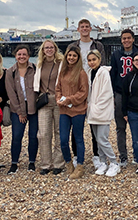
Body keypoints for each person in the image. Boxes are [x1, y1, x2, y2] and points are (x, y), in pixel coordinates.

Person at [68, 19, 105, 169]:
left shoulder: (98, 46)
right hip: (76, 85)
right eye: (81, 27)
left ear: (90, 29)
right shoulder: (72, 46)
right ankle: (76, 155)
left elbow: (101, 64)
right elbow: (68, 63)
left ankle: (96, 155)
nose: (84, 29)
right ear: (78, 29)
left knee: (94, 122)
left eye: (86, 27)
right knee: (76, 122)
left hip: (93, 83)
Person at [56, 46, 88, 179]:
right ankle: (69, 163)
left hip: (78, 110)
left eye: (74, 56)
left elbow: (83, 92)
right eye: (69, 55)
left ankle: (80, 166)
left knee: (78, 138)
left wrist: (69, 99)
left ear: (78, 57)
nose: (71, 58)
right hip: (64, 110)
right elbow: (58, 87)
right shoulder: (62, 72)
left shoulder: (81, 73)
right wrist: (58, 98)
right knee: (63, 139)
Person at [86, 50, 120, 177]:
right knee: (97, 139)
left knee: (102, 139)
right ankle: (102, 162)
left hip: (102, 111)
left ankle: (114, 162)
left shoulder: (104, 73)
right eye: (89, 60)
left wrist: (95, 107)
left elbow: (106, 94)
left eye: (94, 59)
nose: (91, 62)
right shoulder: (89, 72)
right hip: (92, 111)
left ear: (99, 59)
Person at [5, 44, 38, 174]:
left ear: (28, 56)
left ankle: (32, 162)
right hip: (17, 108)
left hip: (33, 107)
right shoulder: (10, 72)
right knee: (17, 136)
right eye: (19, 54)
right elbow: (11, 93)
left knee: (33, 136)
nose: (22, 56)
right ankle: (14, 163)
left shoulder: (34, 68)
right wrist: (20, 112)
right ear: (15, 56)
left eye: (24, 54)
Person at [33, 40, 64, 175]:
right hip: (44, 101)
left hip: (58, 100)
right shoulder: (39, 64)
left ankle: (58, 163)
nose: (49, 50)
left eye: (51, 47)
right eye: (47, 48)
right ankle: (46, 164)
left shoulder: (61, 64)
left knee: (59, 132)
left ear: (55, 49)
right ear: (43, 50)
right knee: (44, 134)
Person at [110, 28, 138, 166]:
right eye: (123, 38)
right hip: (120, 93)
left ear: (133, 39)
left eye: (128, 38)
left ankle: (137, 155)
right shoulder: (116, 54)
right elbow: (113, 75)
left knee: (136, 127)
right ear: (121, 40)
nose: (126, 40)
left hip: (136, 94)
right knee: (120, 127)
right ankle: (123, 156)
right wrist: (113, 95)